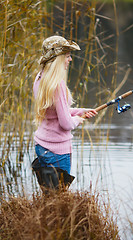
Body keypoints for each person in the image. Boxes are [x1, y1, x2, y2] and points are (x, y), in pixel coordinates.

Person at [33, 35, 97, 190]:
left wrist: (80, 111)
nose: (70, 60)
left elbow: (54, 113)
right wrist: (77, 120)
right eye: (67, 56)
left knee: (49, 196)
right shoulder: (57, 85)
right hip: (57, 151)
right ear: (58, 58)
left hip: (41, 146)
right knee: (59, 199)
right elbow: (66, 123)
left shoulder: (40, 79)